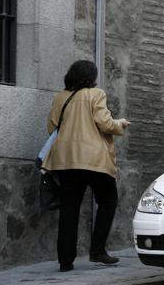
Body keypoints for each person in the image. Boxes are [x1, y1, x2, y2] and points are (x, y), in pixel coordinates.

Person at [42, 60, 131, 272]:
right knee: (108, 201)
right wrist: (121, 124)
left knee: (69, 209)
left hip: (65, 160)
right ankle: (97, 250)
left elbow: (51, 127)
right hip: (94, 160)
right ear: (90, 77)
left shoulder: (60, 97)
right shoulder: (95, 94)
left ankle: (65, 260)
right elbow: (105, 123)